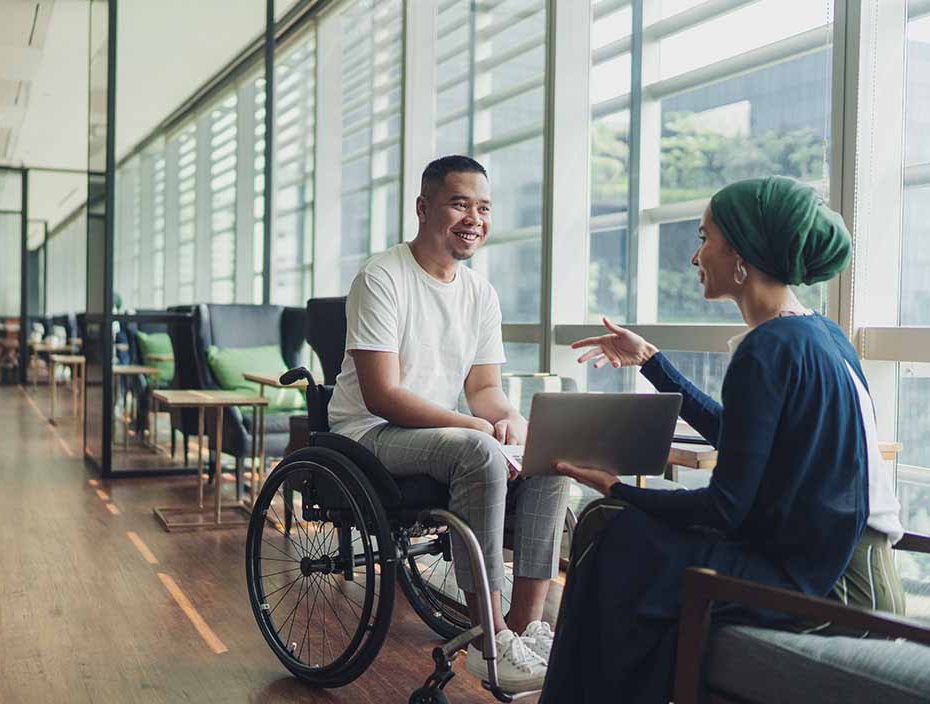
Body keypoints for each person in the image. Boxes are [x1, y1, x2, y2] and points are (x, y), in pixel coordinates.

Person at [538, 175, 905, 703]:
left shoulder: (768, 348)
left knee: (614, 536)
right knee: (618, 533)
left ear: (741, 253)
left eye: (704, 237)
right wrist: (650, 361)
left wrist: (616, 487)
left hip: (835, 586)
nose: (695, 257)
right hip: (847, 568)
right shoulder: (815, 333)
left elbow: (725, 509)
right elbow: (741, 437)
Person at [328, 155, 569, 693]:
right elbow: (383, 394)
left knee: (551, 455)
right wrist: (474, 428)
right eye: (460, 203)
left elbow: (484, 390)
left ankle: (528, 630)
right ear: (423, 207)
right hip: (368, 433)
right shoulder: (382, 276)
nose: (474, 218)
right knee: (477, 451)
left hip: (440, 434)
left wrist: (509, 418)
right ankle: (490, 635)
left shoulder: (481, 293)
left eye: (483, 208)